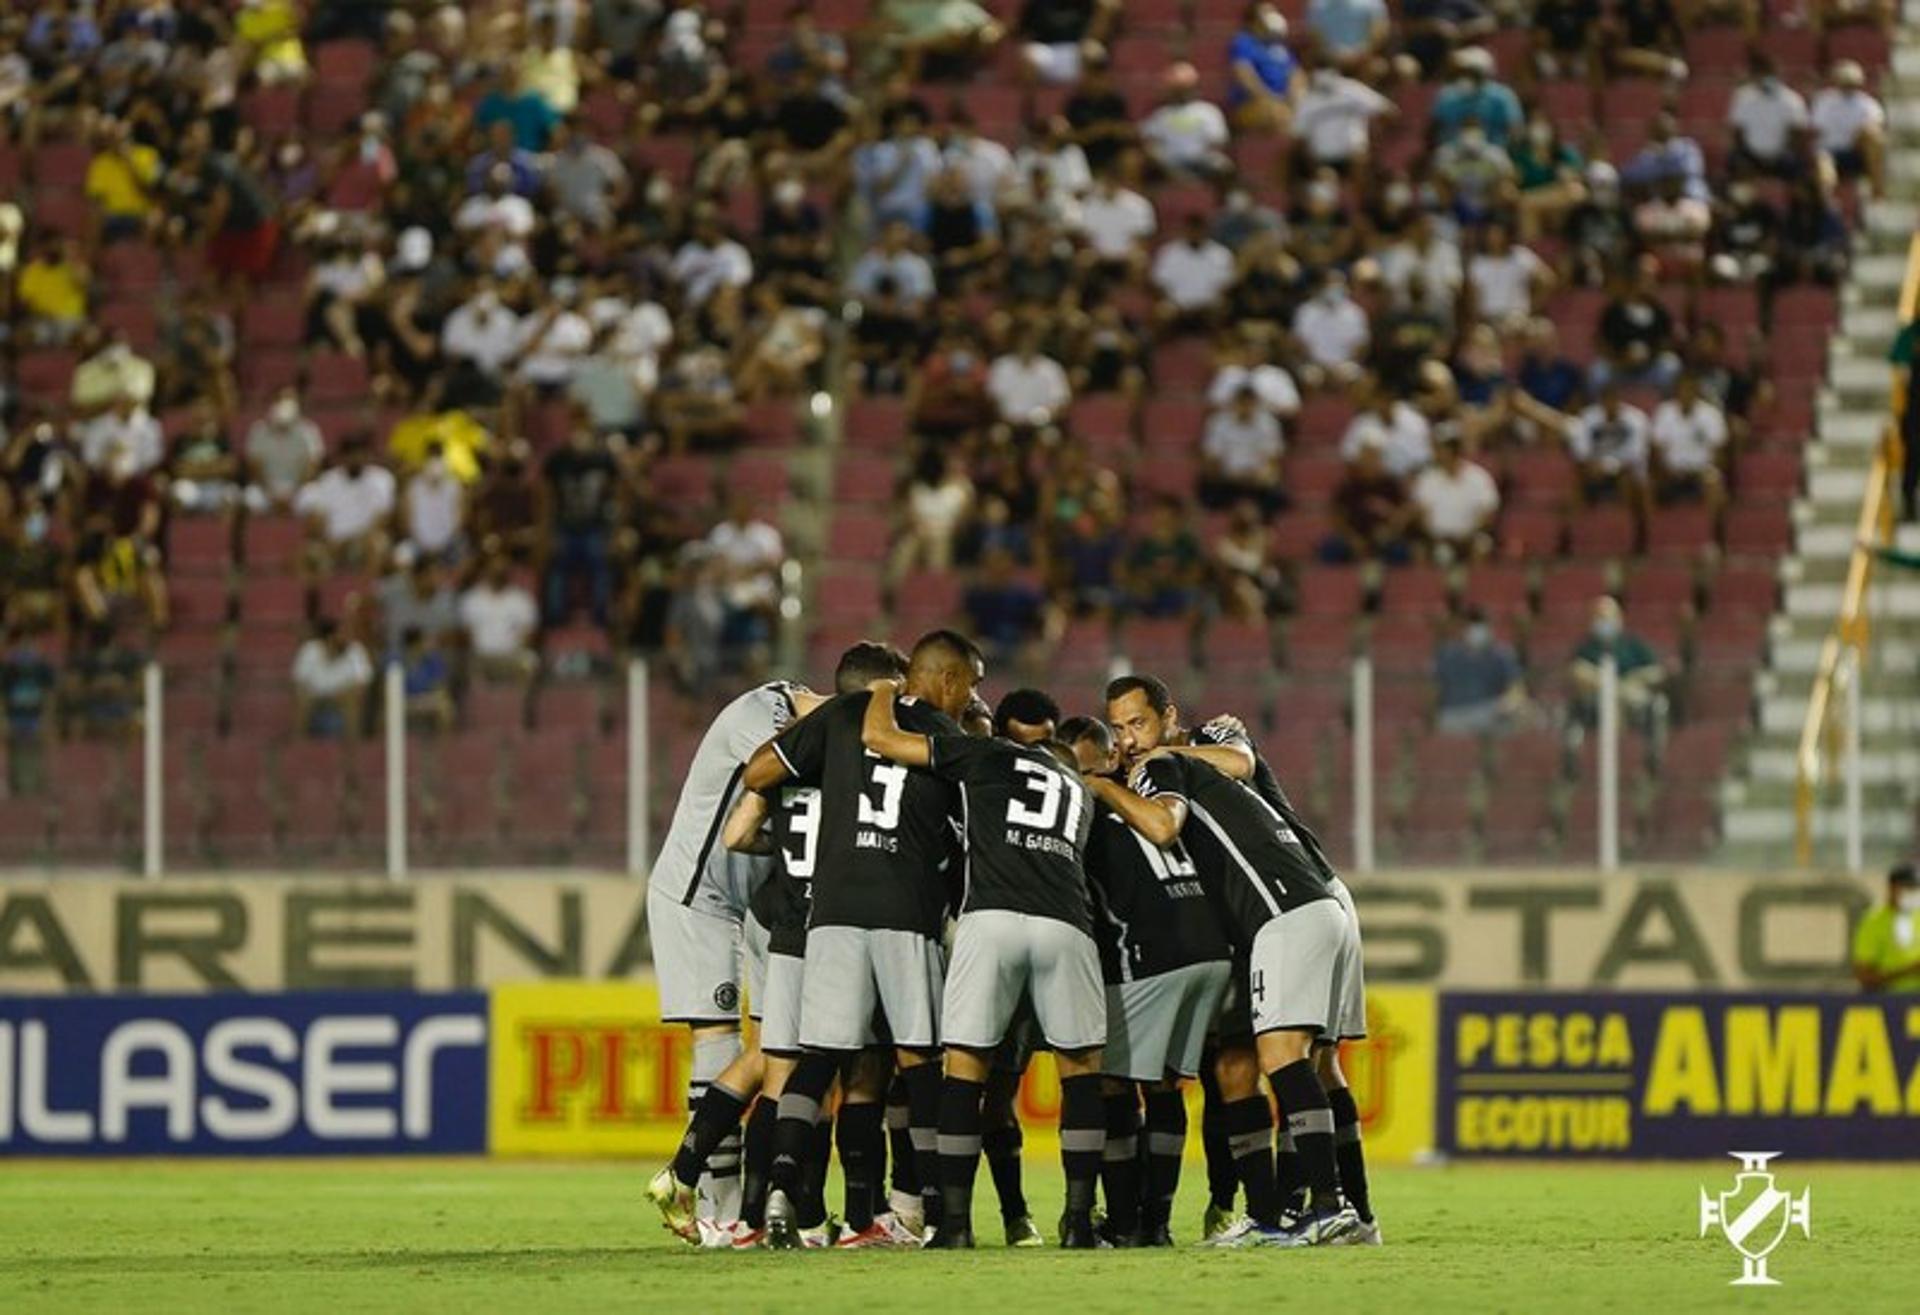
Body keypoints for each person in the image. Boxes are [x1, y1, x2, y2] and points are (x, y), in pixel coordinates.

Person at [1092, 675, 1366, 1246]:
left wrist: (1100, 785)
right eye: (1117, 728)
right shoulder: (1167, 767)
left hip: (1288, 906)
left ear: (1168, 716)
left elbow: (1169, 822)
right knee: (1273, 1063)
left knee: (1290, 1058)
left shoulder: (1172, 761)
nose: (1129, 739)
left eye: (1137, 723)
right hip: (1301, 906)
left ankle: (1329, 1207)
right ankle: (1295, 1215)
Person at [742, 632, 984, 1249]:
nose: (972, 696)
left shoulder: (844, 714)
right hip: (907, 909)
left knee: (816, 1058)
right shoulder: (943, 735)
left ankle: (781, 1188)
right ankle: (934, 1210)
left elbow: (759, 770)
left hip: (835, 909)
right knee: (917, 1062)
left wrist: (824, 752)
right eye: (971, 684)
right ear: (948, 681)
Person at [860, 678, 1109, 1249]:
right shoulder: (1078, 788)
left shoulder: (986, 754)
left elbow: (881, 738)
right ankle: (1076, 1223)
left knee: (965, 1074)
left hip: (991, 918)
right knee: (1081, 1072)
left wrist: (881, 690)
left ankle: (954, 1224)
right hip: (1067, 922)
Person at [642, 672, 841, 1241]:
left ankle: (741, 1203)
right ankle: (714, 1204)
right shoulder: (760, 709)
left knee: (772, 1047)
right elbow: (772, 762)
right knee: (719, 1039)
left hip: (759, 905)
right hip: (697, 895)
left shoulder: (804, 714)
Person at [1061, 715, 1232, 1247]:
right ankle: (1156, 1222)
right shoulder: (1146, 801)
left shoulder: (1084, 814)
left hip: (1150, 955)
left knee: (1112, 1086)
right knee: (1164, 1088)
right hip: (1210, 950)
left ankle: (1125, 1222)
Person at [1568, 596, 1668, 745]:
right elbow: (1576, 671)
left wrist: (1634, 678)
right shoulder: (1585, 647)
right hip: (1597, 703)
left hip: (1635, 701)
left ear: (1619, 617)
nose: (1604, 621)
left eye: (1608, 617)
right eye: (1600, 617)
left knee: (1657, 706)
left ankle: (1651, 760)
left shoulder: (1633, 644)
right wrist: (1609, 685)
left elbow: (1656, 672)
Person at [1411, 428, 1499, 562]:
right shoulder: (1427, 479)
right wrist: (1436, 537)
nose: (1436, 453)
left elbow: (1487, 512)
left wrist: (1468, 534)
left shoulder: (1478, 477)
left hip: (1469, 538)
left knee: (1482, 546)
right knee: (1423, 550)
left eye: (1441, 449)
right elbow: (1423, 515)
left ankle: (1479, 582)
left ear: (1453, 451)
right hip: (1436, 540)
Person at [1432, 608, 1525, 735]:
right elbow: (1433, 688)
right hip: (1454, 715)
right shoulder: (1447, 655)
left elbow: (1516, 688)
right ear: (1463, 628)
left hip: (1490, 712)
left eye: (1480, 625)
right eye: (1472, 625)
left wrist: (1509, 703)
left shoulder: (1502, 655)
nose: (1476, 630)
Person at [1200, 385, 1286, 515]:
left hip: (1256, 481)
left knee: (1278, 499)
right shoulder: (1218, 423)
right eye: (1242, 403)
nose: (1245, 408)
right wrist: (1228, 476)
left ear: (1256, 404)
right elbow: (1212, 459)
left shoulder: (1269, 424)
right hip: (1226, 480)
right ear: (1234, 403)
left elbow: (1272, 461)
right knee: (1208, 493)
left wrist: (1261, 476)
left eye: (1249, 404)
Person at [291, 618, 373, 738]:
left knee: (352, 700)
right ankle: (297, 747)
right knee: (302, 699)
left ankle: (352, 752)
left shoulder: (355, 651)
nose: (347, 637)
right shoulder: (310, 650)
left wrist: (345, 694)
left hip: (343, 698)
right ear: (330, 637)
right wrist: (309, 695)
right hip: (316, 699)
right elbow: (298, 683)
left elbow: (363, 684)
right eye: (343, 634)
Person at [1851, 864, 1920, 993]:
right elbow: (1864, 976)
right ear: (1892, 888)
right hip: (1890, 1004)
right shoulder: (1873, 921)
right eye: (1909, 888)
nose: (1914, 893)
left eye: (1916, 889)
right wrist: (1908, 971)